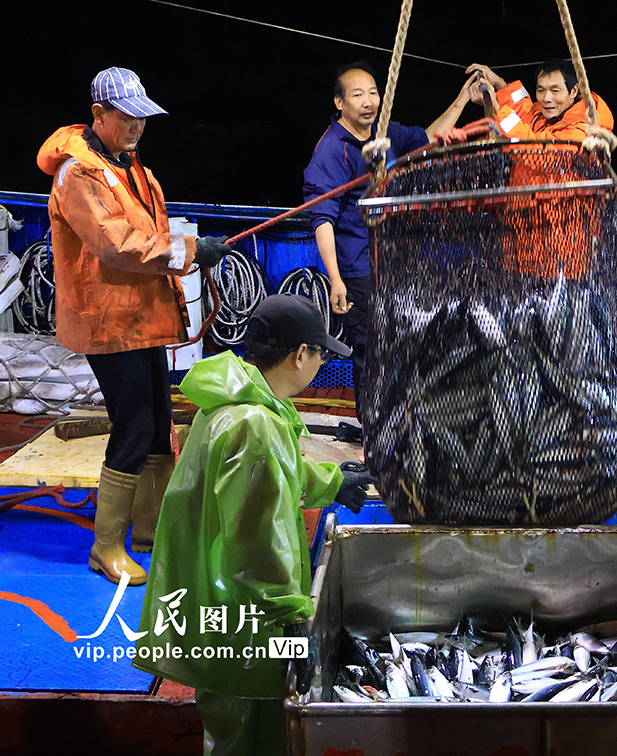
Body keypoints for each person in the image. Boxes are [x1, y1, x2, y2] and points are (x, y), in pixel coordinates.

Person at [133, 294, 374, 756]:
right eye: (321, 352)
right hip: (247, 621)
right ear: (299, 354)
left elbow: (268, 473)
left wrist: (330, 481)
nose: (322, 362)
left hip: (217, 604)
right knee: (249, 733)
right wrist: (291, 617)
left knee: (230, 725)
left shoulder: (230, 404)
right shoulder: (255, 425)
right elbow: (257, 541)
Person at [36, 67, 231, 586]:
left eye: (143, 116)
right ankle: (106, 547)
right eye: (127, 116)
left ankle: (149, 528)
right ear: (98, 114)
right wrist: (190, 251)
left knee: (158, 422)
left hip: (141, 318)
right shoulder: (77, 174)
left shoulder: (128, 165)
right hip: (108, 321)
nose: (137, 125)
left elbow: (144, 233)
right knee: (134, 425)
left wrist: (185, 255)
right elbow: (114, 242)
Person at [304, 61, 462, 434]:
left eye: (373, 92)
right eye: (357, 95)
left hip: (394, 260)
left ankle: (403, 425)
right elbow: (322, 220)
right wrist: (335, 280)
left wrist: (461, 100)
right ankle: (375, 433)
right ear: (339, 102)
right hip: (358, 265)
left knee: (403, 341)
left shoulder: (383, 132)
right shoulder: (331, 152)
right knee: (372, 349)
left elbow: (427, 136)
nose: (368, 101)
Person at [465, 59, 614, 141]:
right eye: (540, 90)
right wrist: (498, 82)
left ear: (574, 91)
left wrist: (494, 106)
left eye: (555, 91)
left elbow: (535, 147)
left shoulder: (584, 130)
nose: (546, 99)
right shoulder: (543, 114)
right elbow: (522, 111)